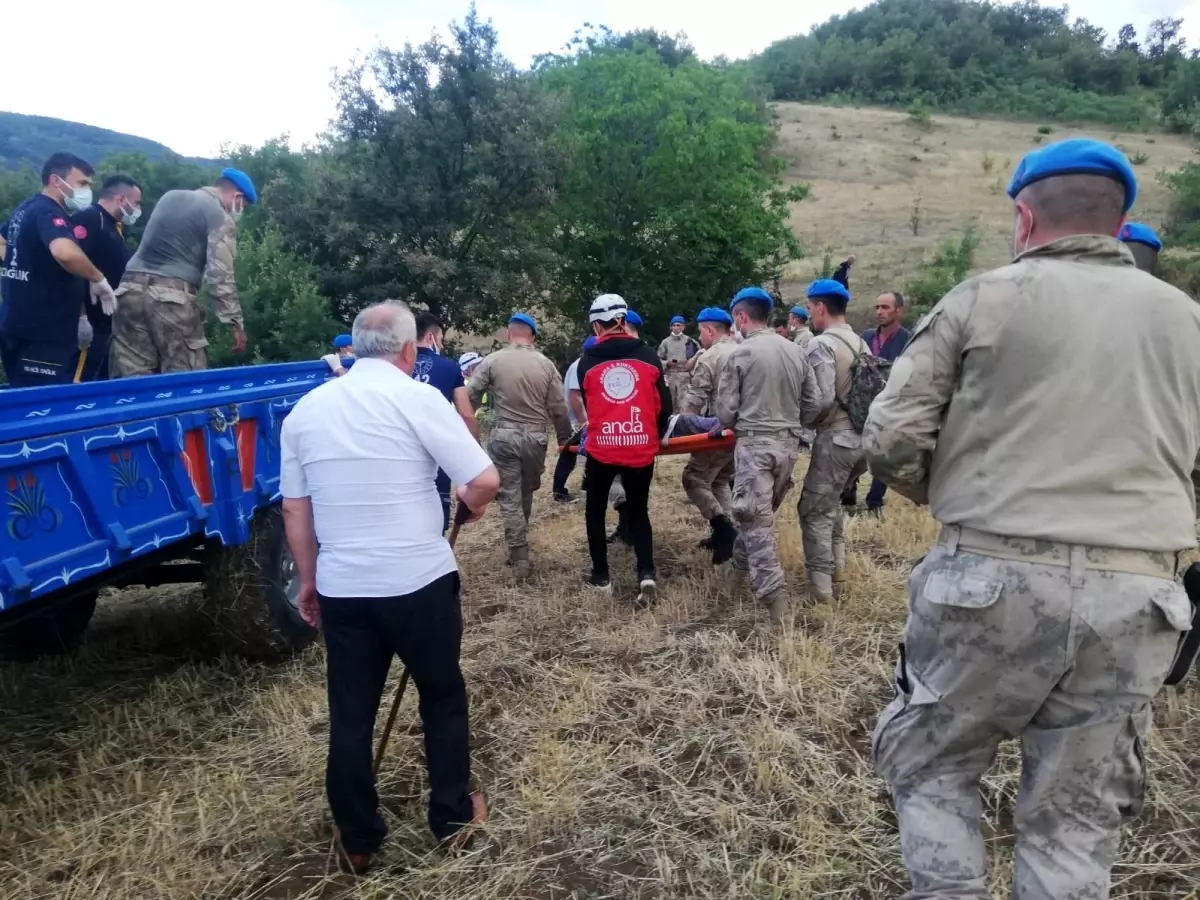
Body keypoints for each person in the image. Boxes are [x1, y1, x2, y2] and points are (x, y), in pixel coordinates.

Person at [864, 138, 1198, 900]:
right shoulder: (1187, 320)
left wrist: (960, 499)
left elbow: (890, 440)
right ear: (1120, 221)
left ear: (1023, 214)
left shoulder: (983, 298)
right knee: (1076, 820)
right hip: (1139, 594)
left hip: (989, 579)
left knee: (935, 768)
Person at [279, 301, 500, 873]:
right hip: (417, 582)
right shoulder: (417, 396)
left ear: (353, 348)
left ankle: (357, 836)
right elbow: (482, 479)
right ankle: (451, 818)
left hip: (343, 587)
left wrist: (308, 582)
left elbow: (295, 511)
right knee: (441, 696)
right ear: (409, 351)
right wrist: (468, 508)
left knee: (350, 712)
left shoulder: (305, 411)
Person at [716, 286, 821, 626]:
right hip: (788, 447)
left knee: (754, 523)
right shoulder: (796, 351)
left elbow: (725, 413)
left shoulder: (741, 354)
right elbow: (815, 403)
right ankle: (734, 579)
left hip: (755, 448)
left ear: (741, 317)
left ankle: (777, 606)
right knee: (755, 520)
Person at [110, 167, 256, 376]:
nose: (241, 211)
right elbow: (220, 275)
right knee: (185, 380)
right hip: (172, 299)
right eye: (244, 206)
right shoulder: (220, 215)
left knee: (131, 378)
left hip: (127, 292)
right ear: (237, 196)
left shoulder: (170, 197)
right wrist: (234, 322)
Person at [577, 294, 672, 602]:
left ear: (596, 325)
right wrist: (651, 436)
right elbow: (664, 406)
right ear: (623, 320)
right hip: (639, 448)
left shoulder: (586, 362)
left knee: (594, 511)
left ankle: (601, 577)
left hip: (602, 449)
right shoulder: (648, 356)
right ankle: (646, 574)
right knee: (639, 510)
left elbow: (591, 407)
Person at [467, 313, 571, 579]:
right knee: (524, 492)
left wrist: (467, 429)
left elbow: (470, 396)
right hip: (535, 439)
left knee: (511, 496)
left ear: (508, 335)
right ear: (532, 337)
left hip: (504, 436)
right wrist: (564, 438)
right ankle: (519, 552)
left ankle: (519, 555)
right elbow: (559, 408)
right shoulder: (546, 365)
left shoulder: (492, 361)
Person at [0, 152, 118, 387]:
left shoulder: (25, 209)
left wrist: (22, 261)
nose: (87, 191)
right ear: (56, 181)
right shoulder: (49, 212)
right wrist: (98, 278)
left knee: (21, 395)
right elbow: (64, 252)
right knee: (40, 406)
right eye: (82, 183)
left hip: (15, 324)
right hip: (43, 334)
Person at [798, 278, 869, 605]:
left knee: (813, 511)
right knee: (832, 504)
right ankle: (838, 570)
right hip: (864, 441)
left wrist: (801, 424)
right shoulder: (859, 342)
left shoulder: (820, 344)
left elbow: (821, 399)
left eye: (811, 307)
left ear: (821, 307)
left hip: (836, 440)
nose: (810, 313)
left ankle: (822, 592)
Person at [68, 174, 142, 382]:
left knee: (97, 382)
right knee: (79, 385)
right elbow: (73, 265)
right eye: (136, 203)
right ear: (121, 199)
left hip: (107, 324)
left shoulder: (114, 226)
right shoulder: (91, 219)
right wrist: (81, 317)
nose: (138, 209)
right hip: (90, 323)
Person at [680, 307, 738, 563]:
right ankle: (726, 532)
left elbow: (695, 399)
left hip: (718, 430)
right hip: (742, 431)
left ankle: (724, 529)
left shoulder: (710, 356)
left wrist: (681, 427)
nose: (700, 337)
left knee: (694, 478)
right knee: (720, 481)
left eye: (701, 332)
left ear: (711, 330)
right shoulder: (743, 350)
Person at [415, 312, 481, 532]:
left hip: (398, 452)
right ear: (431, 338)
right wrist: (474, 451)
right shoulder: (449, 368)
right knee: (437, 517)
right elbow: (466, 414)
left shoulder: (395, 367)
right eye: (441, 340)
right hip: (436, 452)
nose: (442, 346)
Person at [853, 291, 912, 514]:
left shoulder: (908, 340)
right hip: (862, 404)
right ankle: (849, 489)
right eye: (877, 307)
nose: (880, 312)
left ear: (899, 310)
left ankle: (874, 501)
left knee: (884, 454)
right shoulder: (866, 337)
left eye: (886, 307)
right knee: (855, 452)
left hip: (891, 406)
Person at [552, 335, 597, 503]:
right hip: (576, 420)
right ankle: (559, 491)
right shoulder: (580, 365)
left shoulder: (585, 363)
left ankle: (588, 485)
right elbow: (574, 395)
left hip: (582, 419)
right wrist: (583, 422)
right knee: (568, 455)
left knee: (592, 454)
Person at [657, 316, 698, 410]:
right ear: (670, 327)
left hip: (685, 376)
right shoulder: (665, 342)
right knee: (670, 402)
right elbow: (658, 359)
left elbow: (698, 357)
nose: (676, 327)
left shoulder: (690, 341)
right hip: (670, 376)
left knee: (685, 403)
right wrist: (666, 363)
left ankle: (683, 422)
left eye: (679, 325)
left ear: (683, 327)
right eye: (674, 325)